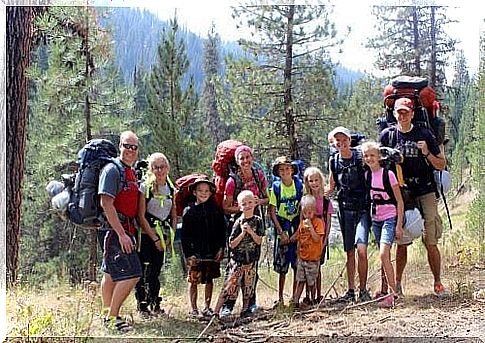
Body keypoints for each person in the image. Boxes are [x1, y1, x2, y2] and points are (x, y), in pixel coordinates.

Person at [379, 97, 448, 297]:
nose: (402, 116)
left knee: (431, 239)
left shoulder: (424, 134)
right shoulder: (387, 136)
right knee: (402, 240)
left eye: (406, 112)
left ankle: (438, 282)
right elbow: (376, 163)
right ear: (394, 114)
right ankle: (397, 284)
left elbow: (441, 164)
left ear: (412, 113)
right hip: (402, 193)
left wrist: (426, 152)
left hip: (425, 190)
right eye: (399, 112)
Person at [98, 130, 142, 333]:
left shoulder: (129, 171)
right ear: (120, 146)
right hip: (115, 230)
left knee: (110, 273)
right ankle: (113, 316)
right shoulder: (112, 170)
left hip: (124, 228)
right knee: (133, 273)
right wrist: (121, 234)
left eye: (134, 147)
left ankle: (108, 316)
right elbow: (106, 203)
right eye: (126, 145)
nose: (130, 150)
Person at [325, 126, 372, 303]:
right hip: (344, 210)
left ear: (349, 140)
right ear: (334, 143)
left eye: (344, 139)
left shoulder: (360, 158)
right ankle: (352, 291)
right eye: (338, 140)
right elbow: (331, 187)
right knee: (350, 252)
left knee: (361, 249)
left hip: (362, 209)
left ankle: (363, 289)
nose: (341, 143)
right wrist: (315, 197)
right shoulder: (334, 161)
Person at [221, 144, 268, 316]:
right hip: (238, 224)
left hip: (256, 222)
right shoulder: (232, 181)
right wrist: (243, 209)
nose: (246, 161)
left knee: (252, 263)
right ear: (237, 161)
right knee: (235, 264)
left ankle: (250, 303)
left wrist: (257, 202)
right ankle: (228, 304)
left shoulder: (258, 175)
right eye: (242, 158)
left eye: (248, 157)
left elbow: (266, 198)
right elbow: (225, 207)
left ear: (252, 158)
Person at [361, 141, 404, 307]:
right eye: (366, 156)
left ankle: (394, 295)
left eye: (372, 155)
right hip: (376, 219)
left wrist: (399, 225)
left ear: (379, 156)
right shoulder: (367, 176)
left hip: (390, 218)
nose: (369, 158)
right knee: (383, 256)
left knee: (383, 254)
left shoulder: (389, 175)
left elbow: (399, 201)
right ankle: (384, 290)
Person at [135, 152, 177, 317]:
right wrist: (155, 238)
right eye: (156, 167)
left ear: (168, 168)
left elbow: (174, 214)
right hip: (146, 236)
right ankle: (142, 305)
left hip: (163, 235)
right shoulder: (145, 188)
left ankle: (155, 303)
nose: (159, 170)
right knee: (144, 270)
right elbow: (140, 216)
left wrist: (170, 237)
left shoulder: (171, 188)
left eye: (162, 167)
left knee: (155, 272)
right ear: (150, 169)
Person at [213, 190, 265, 318]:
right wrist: (242, 233)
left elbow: (259, 240)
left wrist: (251, 232)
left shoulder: (258, 221)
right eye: (244, 203)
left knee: (248, 286)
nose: (247, 206)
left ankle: (245, 309)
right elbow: (232, 244)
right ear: (240, 206)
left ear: (255, 203)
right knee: (229, 285)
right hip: (237, 261)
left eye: (250, 202)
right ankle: (216, 311)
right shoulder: (237, 222)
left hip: (251, 260)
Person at [181, 177, 226, 317]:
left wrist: (221, 248)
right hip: (195, 252)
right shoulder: (189, 211)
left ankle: (207, 307)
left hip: (211, 251)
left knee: (209, 279)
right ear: (194, 192)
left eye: (206, 191)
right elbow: (185, 236)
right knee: (193, 280)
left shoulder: (216, 210)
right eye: (200, 190)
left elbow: (222, 231)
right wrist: (189, 254)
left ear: (211, 192)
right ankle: (194, 308)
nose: (203, 193)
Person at [269, 156, 304, 307]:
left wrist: (299, 230)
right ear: (278, 172)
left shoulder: (299, 185)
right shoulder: (276, 188)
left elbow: (303, 208)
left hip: (296, 225)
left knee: (296, 264)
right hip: (282, 225)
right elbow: (271, 211)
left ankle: (295, 297)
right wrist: (280, 231)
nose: (285, 172)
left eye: (287, 169)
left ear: (292, 170)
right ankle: (280, 297)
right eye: (281, 169)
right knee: (282, 266)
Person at [302, 167, 334, 304]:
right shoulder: (305, 200)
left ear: (321, 181)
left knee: (317, 267)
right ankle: (308, 295)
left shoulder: (326, 201)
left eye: (316, 180)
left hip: (319, 238)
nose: (314, 183)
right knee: (306, 267)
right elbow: (301, 219)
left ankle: (318, 295)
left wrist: (325, 240)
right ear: (307, 182)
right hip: (307, 239)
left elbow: (329, 222)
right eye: (311, 181)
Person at [290, 195, 325, 309]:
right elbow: (300, 238)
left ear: (314, 211)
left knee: (311, 282)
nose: (308, 216)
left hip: (313, 259)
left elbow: (316, 239)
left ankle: (313, 300)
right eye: (305, 213)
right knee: (300, 280)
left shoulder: (318, 223)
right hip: (302, 257)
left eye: (310, 213)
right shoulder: (301, 224)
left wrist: (311, 227)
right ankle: (295, 301)